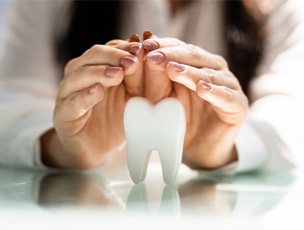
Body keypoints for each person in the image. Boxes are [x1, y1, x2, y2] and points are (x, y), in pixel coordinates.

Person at [0, 0, 303, 174]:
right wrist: (65, 148)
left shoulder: (279, 6)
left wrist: (222, 148)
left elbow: (291, 117)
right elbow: (11, 101)